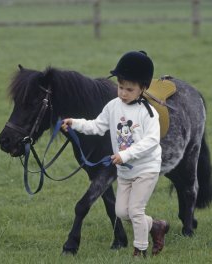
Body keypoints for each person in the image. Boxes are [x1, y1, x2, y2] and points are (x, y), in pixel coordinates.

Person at [61, 51, 169, 257]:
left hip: (146, 168)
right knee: (122, 212)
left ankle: (140, 251)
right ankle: (156, 226)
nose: (123, 93)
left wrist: (125, 155)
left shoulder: (148, 113)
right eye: (120, 87)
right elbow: (97, 126)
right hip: (125, 172)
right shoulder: (112, 106)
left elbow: (151, 141)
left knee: (135, 211)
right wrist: (74, 123)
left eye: (130, 89)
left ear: (143, 89)